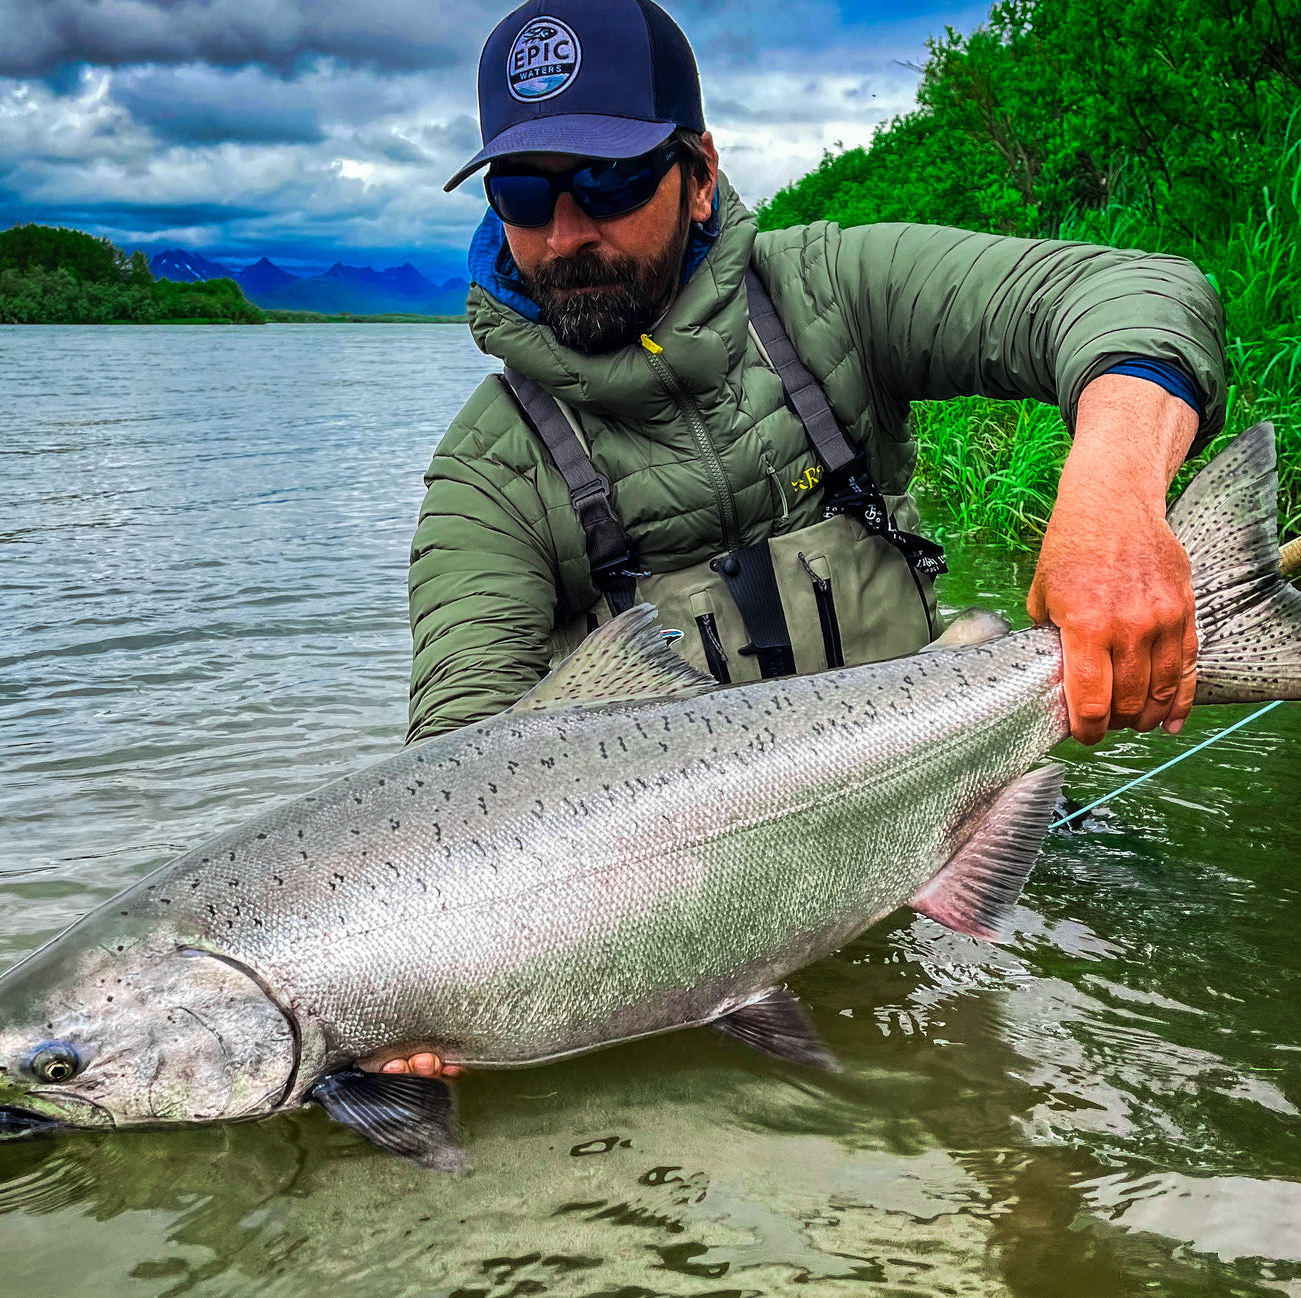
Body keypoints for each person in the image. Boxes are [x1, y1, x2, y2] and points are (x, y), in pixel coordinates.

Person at [376, 0, 1226, 1081]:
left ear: (699, 173)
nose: (564, 232)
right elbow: (457, 759)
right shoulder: (486, 470)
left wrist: (1115, 491)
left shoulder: (831, 292)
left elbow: (1139, 291)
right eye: (523, 193)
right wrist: (421, 973)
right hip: (688, 923)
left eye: (609, 182)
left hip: (952, 803)